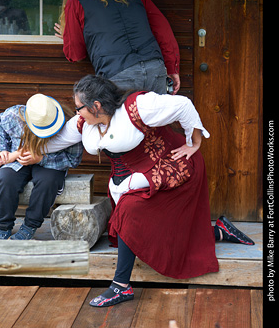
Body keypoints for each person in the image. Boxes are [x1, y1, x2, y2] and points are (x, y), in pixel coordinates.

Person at [45, 75, 254, 307]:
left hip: (171, 167)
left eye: (79, 108)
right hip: (132, 180)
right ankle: (220, 231)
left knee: (129, 212)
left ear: (96, 106)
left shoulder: (138, 107)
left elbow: (183, 105)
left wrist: (194, 142)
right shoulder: (86, 122)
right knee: (154, 229)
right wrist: (22, 156)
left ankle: (120, 286)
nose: (77, 113)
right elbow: (58, 140)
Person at [54, 0, 180, 94]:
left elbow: (76, 54)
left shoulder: (76, 0)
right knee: (158, 115)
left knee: (121, 116)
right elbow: (162, 28)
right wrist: (172, 67)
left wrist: (68, 35)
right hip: (154, 67)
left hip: (117, 73)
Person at [0, 93, 83, 240]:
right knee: (6, 180)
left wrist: (41, 158)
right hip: (18, 161)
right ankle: (3, 226)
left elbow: (73, 159)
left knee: (48, 182)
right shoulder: (13, 115)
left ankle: (30, 226)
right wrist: (1, 150)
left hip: (51, 162)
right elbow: (0, 127)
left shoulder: (69, 125)